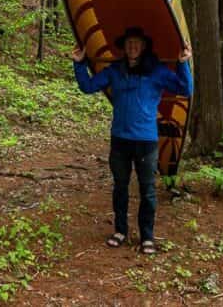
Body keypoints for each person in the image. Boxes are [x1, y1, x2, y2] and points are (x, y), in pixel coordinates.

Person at [71, 26, 193, 255]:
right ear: (124, 47)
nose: (132, 47)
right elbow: (87, 87)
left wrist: (183, 63)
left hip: (146, 141)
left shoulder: (156, 71)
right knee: (120, 187)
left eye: (136, 43)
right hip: (120, 140)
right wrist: (79, 64)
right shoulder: (115, 71)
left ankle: (147, 236)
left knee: (147, 190)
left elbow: (185, 89)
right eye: (129, 43)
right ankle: (120, 231)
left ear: (143, 46)